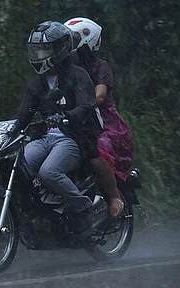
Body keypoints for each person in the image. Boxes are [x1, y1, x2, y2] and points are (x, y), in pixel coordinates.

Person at [17, 20, 101, 234]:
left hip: (73, 138)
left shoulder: (77, 74)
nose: (39, 55)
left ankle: (83, 207)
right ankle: (44, 206)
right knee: (20, 163)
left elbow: (86, 105)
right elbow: (24, 114)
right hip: (45, 138)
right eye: (36, 50)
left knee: (49, 171)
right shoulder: (37, 83)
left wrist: (67, 117)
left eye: (44, 49)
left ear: (59, 50)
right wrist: (5, 130)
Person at [64, 17, 134, 217]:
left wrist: (79, 106)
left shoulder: (100, 67)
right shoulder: (66, 69)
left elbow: (99, 96)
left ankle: (114, 196)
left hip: (104, 124)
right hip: (76, 119)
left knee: (98, 151)